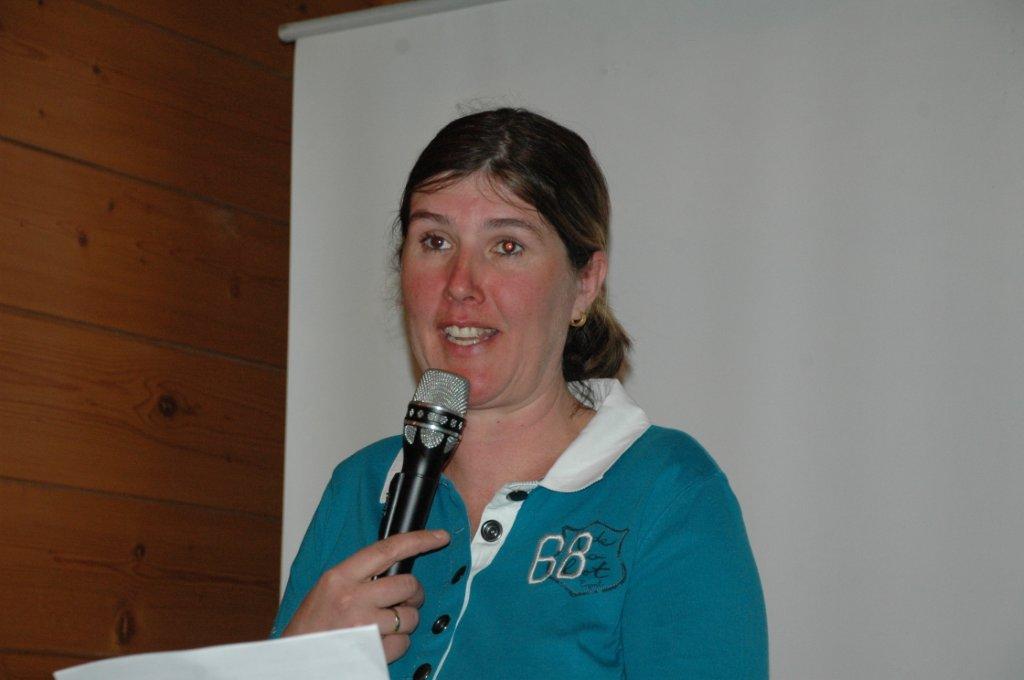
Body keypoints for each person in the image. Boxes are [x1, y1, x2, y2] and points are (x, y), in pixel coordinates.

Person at [272, 108, 768, 679]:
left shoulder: (667, 490)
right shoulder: (360, 486)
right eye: (435, 240)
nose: (460, 284)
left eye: (506, 246)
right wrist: (296, 661)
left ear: (585, 283)